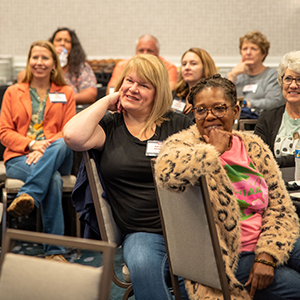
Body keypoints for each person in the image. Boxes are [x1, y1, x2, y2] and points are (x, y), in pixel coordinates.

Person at [155, 74, 300, 300]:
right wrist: (213, 152)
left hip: (267, 241)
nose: (210, 116)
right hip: (226, 256)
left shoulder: (253, 146)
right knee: (295, 285)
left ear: (236, 111)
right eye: (201, 110)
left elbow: (280, 208)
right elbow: (166, 173)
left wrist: (267, 255)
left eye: (220, 108)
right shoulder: (183, 145)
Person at [63, 54, 193, 299]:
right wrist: (107, 100)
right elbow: (72, 136)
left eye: (144, 85)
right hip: (141, 231)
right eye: (129, 81)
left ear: (158, 93)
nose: (133, 89)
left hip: (187, 226)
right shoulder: (110, 126)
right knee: (143, 264)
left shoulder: (178, 124)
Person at [0, 40, 76, 262]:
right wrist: (32, 144)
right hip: (20, 157)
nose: (39, 62)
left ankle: (29, 194)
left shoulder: (66, 92)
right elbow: (3, 132)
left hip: (57, 152)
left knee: (63, 142)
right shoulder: (13, 92)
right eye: (35, 57)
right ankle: (55, 252)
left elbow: (69, 130)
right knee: (52, 179)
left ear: (54, 63)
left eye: (45, 58)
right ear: (28, 61)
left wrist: (45, 146)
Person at [18, 27, 97, 113]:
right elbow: (22, 77)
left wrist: (62, 98)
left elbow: (91, 94)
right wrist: (49, 55)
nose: (62, 43)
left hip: (74, 110)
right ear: (52, 44)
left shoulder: (81, 66)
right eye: (58, 40)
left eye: (67, 41)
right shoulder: (43, 65)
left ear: (73, 46)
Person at [255, 51, 300, 168]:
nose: (293, 85)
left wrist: (276, 161)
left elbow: (269, 160)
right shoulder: (267, 118)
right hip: (276, 183)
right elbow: (257, 159)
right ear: (281, 81)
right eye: (288, 79)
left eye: (299, 79)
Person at [227, 30, 285, 115]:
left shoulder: (272, 75)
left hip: (261, 120)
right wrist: (232, 76)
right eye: (244, 49)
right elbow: (222, 100)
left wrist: (245, 104)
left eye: (253, 49)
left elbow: (275, 102)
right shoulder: (233, 74)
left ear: (263, 53)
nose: (248, 52)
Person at [106, 34, 178, 94]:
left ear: (157, 53)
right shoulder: (122, 65)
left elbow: (170, 92)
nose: (145, 54)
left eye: (149, 51)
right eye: (141, 50)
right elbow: (112, 91)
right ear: (136, 51)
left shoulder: (168, 67)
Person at [172, 47, 218, 119]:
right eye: (184, 64)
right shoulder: (175, 94)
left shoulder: (213, 98)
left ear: (205, 69)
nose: (187, 67)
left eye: (193, 64)